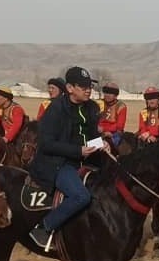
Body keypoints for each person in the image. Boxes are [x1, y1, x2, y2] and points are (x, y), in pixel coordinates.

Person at [28, 66, 110, 250]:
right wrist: (77, 151)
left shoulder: (91, 108)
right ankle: (43, 227)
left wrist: (101, 143)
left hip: (87, 160)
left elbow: (90, 136)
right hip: (58, 163)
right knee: (81, 196)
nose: (88, 90)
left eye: (90, 86)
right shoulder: (56, 109)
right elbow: (46, 143)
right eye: (83, 86)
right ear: (70, 88)